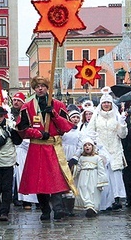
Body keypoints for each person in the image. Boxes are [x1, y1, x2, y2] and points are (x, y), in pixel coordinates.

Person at [17, 76, 76, 220]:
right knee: (39, 181)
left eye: (43, 86)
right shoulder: (27, 106)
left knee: (55, 179)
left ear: (47, 88)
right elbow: (21, 128)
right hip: (37, 147)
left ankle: (58, 209)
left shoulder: (57, 104)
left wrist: (54, 115)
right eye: (37, 87)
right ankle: (44, 210)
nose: (40, 89)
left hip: (53, 147)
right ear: (34, 89)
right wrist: (37, 133)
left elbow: (67, 127)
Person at [86, 87, 128, 211]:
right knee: (103, 174)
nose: (106, 105)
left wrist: (122, 123)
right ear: (101, 104)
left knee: (115, 175)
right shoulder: (96, 115)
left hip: (115, 149)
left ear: (111, 104)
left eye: (108, 103)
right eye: (104, 103)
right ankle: (103, 201)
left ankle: (116, 199)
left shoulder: (116, 116)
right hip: (101, 149)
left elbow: (123, 135)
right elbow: (90, 131)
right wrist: (95, 143)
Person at [10, 92, 38, 210]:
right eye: (14, 100)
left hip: (29, 145)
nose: (16, 102)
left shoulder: (28, 113)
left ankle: (34, 198)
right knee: (18, 174)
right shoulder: (10, 115)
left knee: (32, 173)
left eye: (18, 100)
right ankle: (21, 198)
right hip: (17, 148)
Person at [73, 137, 108, 217]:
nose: (87, 147)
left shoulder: (97, 158)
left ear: (92, 147)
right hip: (83, 177)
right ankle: (88, 206)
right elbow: (78, 168)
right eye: (85, 145)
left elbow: (101, 170)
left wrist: (101, 182)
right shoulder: (81, 158)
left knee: (93, 192)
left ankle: (93, 208)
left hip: (93, 178)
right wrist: (73, 175)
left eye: (89, 145)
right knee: (84, 192)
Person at [61, 109, 83, 216]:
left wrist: (75, 157)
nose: (75, 119)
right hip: (62, 157)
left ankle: (70, 208)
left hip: (72, 159)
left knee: (71, 182)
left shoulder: (79, 133)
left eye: (77, 117)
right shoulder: (63, 131)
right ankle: (62, 206)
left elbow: (80, 146)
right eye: (73, 117)